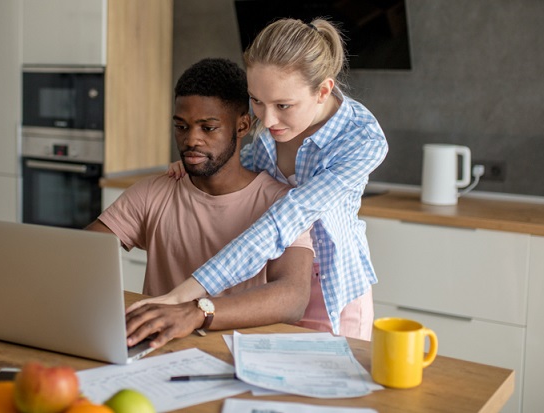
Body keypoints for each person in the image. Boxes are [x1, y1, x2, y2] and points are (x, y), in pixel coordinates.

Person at [140, 18, 389, 340]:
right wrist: (200, 162)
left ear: (322, 91)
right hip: (272, 285)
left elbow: (286, 218)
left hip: (331, 290)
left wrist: (183, 295)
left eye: (283, 105)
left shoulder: (363, 139)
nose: (267, 120)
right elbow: (248, 169)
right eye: (257, 100)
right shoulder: (273, 124)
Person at [85, 58, 314, 349]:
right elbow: (82, 253)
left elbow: (293, 297)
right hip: (157, 347)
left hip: (241, 354)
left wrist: (196, 313)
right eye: (181, 126)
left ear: (242, 125)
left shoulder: (280, 202)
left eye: (208, 128)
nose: (191, 140)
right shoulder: (152, 192)